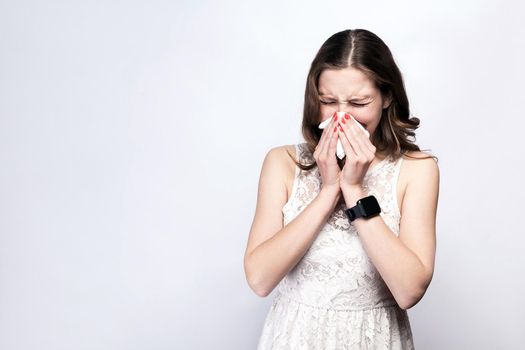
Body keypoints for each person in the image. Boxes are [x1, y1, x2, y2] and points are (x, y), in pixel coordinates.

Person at [243, 28, 439, 349]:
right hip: (295, 337)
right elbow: (260, 279)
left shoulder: (417, 170)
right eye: (328, 101)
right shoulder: (281, 162)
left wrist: (354, 190)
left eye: (359, 102)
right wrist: (329, 190)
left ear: (387, 97)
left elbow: (408, 290)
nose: (342, 117)